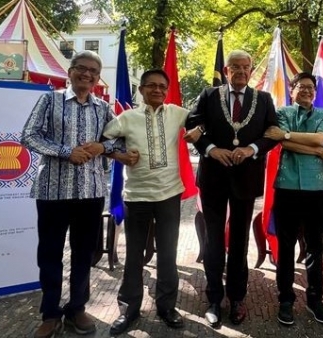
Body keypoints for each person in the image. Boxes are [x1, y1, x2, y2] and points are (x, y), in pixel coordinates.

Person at [21, 50, 122, 338]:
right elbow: (28, 135)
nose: (87, 74)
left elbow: (120, 140)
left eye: (93, 70)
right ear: (71, 70)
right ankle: (50, 314)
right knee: (50, 254)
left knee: (84, 253)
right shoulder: (49, 99)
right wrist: (67, 152)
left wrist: (103, 147)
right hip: (52, 191)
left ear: (97, 77)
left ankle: (77, 307)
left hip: (90, 193)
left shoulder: (103, 108)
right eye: (82, 68)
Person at [103, 69, 203, 335]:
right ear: (142, 90)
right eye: (151, 86)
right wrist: (119, 154)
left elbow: (205, 118)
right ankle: (129, 309)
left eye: (162, 86)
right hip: (137, 196)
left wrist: (199, 129)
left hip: (169, 194)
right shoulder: (127, 118)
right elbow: (104, 139)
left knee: (168, 253)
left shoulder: (178, 113)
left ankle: (167, 307)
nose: (157, 90)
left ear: (167, 90)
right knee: (133, 255)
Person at [185, 49, 278, 327]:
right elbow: (192, 124)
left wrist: (252, 149)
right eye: (234, 67)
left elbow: (272, 132)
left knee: (239, 241)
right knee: (213, 240)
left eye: (245, 67)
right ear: (226, 71)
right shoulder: (209, 95)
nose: (240, 71)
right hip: (213, 177)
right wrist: (211, 149)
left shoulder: (263, 99)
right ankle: (214, 298)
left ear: (251, 71)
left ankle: (237, 298)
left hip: (246, 178)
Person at [264, 72, 323, 326]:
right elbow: (280, 140)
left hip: (319, 188)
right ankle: (285, 299)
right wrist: (316, 150)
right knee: (286, 246)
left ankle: (315, 300)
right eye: (300, 87)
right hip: (288, 187)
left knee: (315, 247)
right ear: (291, 90)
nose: (306, 91)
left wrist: (288, 136)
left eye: (310, 88)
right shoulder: (282, 113)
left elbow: (319, 138)